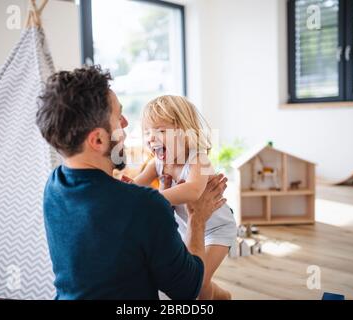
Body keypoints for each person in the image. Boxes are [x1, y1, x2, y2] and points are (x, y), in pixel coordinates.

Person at [35, 65, 228, 299]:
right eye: (118, 117)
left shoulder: (54, 186)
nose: (126, 122)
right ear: (97, 139)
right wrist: (197, 219)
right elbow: (187, 290)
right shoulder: (144, 205)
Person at [132, 95, 236, 300]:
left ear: (185, 134)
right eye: (147, 132)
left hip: (217, 229)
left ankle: (219, 296)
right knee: (188, 281)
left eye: (160, 131)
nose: (151, 138)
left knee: (198, 282)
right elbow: (137, 186)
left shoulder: (198, 158)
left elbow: (193, 191)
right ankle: (222, 296)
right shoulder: (156, 163)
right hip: (186, 230)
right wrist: (124, 189)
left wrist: (153, 197)